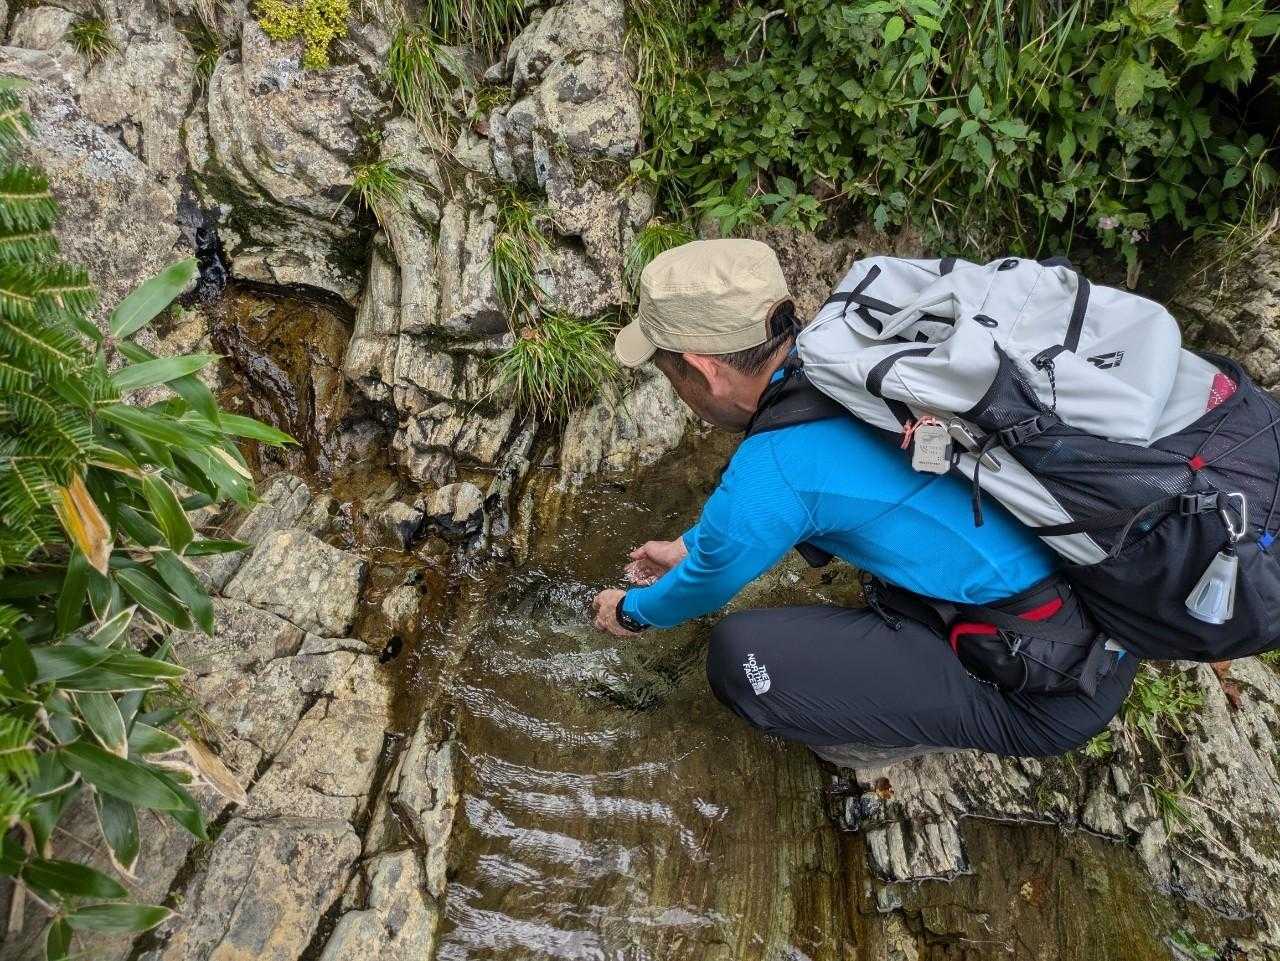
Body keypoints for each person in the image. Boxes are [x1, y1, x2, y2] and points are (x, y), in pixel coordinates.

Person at [589, 239, 1137, 768]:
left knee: (740, 659)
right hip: (1100, 597)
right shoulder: (858, 350)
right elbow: (790, 498)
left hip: (1049, 690)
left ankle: (885, 736)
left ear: (706, 370)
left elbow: (710, 581)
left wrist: (631, 613)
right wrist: (689, 546)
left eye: (672, 375)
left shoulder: (776, 466)